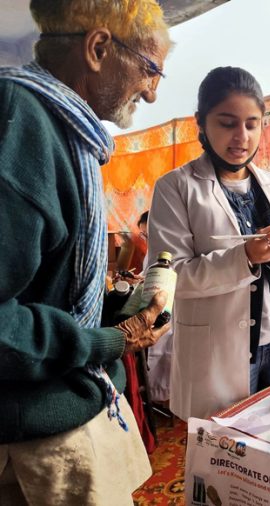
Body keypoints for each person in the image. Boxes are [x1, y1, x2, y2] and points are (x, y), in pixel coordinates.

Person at [0, 1, 172, 504]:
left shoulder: (64, 131)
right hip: (36, 441)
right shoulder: (21, 122)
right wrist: (104, 343)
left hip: (71, 412)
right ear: (99, 48)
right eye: (150, 69)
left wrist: (116, 312)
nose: (153, 92)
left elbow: (46, 282)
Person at [148, 67, 270, 419]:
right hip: (219, 356)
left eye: (252, 124)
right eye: (227, 123)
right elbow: (171, 278)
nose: (241, 137)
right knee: (225, 461)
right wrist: (243, 257)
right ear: (201, 122)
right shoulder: (176, 187)